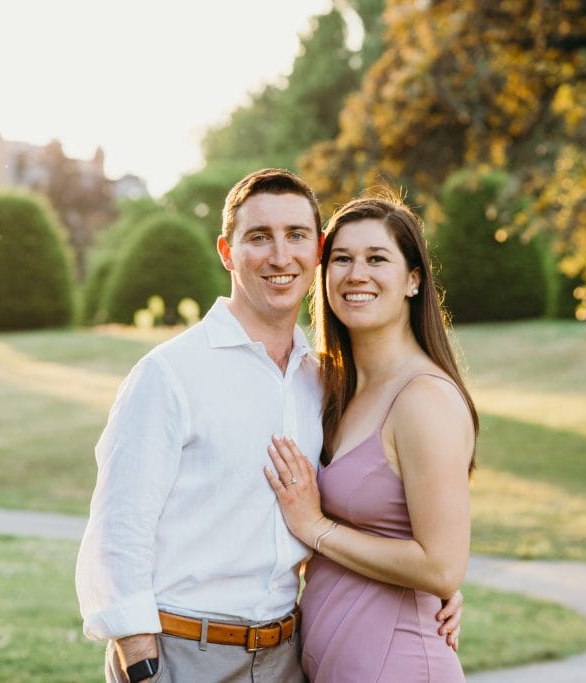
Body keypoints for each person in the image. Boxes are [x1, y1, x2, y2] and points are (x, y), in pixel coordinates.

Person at [76, 170, 462, 683]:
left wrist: (431, 585)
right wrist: (143, 662)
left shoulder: (321, 381)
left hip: (286, 656)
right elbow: (117, 529)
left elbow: (376, 509)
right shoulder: (170, 374)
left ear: (316, 249)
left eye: (297, 235)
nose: (280, 256)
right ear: (226, 251)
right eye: (259, 237)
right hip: (184, 653)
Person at [264, 194, 478, 681]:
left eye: (377, 258)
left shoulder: (424, 399)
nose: (356, 274)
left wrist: (316, 527)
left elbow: (443, 567)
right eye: (341, 259)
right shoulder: (330, 386)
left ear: (413, 280)